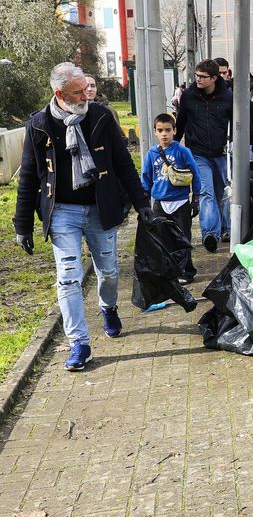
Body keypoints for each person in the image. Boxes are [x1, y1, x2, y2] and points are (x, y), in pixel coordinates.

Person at [12, 63, 151, 370]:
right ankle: (79, 343)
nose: (85, 95)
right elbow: (29, 178)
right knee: (69, 277)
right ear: (59, 93)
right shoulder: (38, 125)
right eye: (78, 91)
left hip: (101, 208)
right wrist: (23, 225)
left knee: (109, 271)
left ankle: (108, 306)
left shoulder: (101, 116)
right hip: (61, 212)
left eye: (87, 88)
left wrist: (142, 203)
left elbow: (123, 163)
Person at [175, 58, 233, 252]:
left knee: (222, 192)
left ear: (214, 78)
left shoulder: (228, 97)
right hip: (197, 153)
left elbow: (239, 124)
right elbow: (181, 121)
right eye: (197, 76)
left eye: (202, 77)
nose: (198, 79)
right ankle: (210, 233)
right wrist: (175, 144)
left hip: (221, 153)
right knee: (206, 192)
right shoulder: (189, 96)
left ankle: (227, 229)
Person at [141, 113, 201, 283]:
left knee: (182, 238)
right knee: (162, 240)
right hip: (160, 203)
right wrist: (143, 201)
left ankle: (185, 271)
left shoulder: (182, 151)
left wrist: (196, 198)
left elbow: (195, 174)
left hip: (181, 202)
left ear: (174, 130)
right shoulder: (151, 154)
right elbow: (146, 177)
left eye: (168, 130)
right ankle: (168, 271)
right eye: (160, 130)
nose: (164, 134)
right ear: (155, 132)